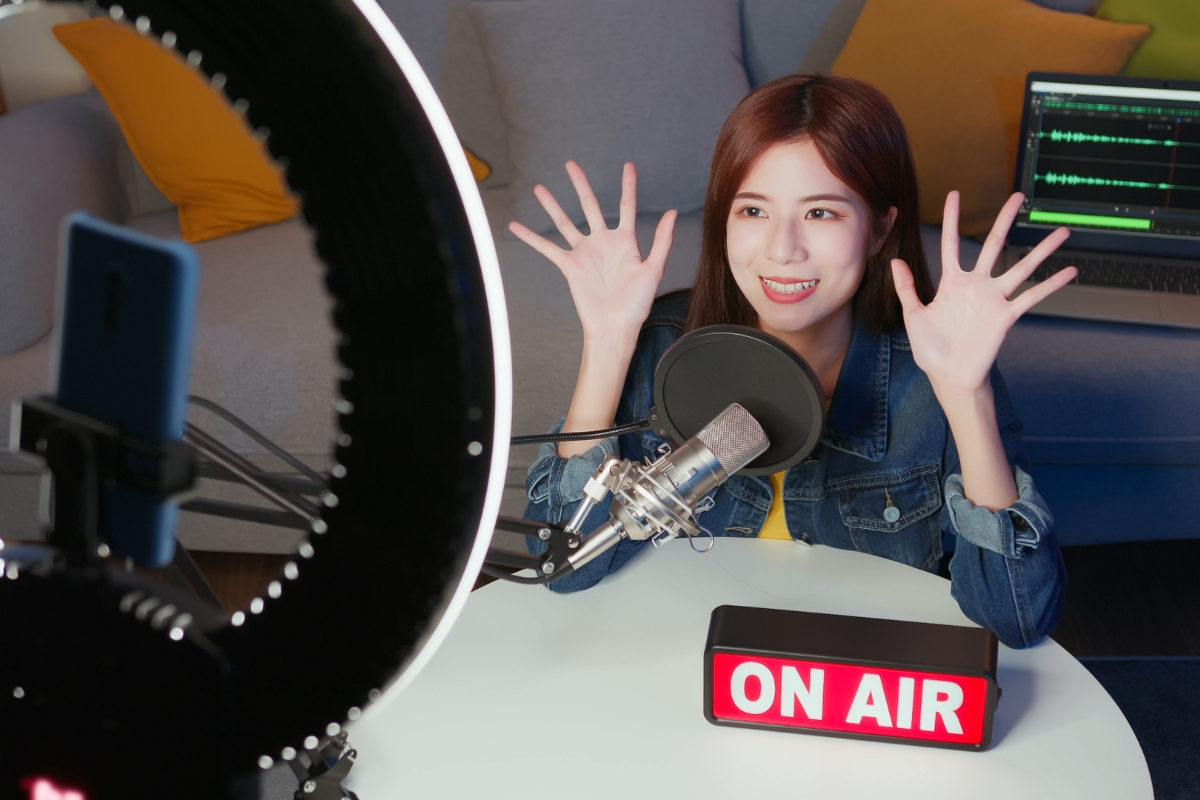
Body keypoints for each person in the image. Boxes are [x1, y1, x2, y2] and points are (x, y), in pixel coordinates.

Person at [509, 74, 1075, 649]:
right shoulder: (660, 349)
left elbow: (1016, 619)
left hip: (855, 691)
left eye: (821, 214)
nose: (782, 249)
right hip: (682, 673)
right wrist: (606, 344)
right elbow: (565, 570)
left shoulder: (943, 370)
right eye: (752, 210)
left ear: (880, 229)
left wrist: (966, 396)